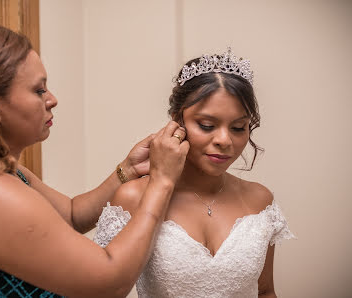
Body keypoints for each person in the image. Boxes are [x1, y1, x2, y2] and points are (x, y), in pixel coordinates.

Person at [0, 24, 190, 297]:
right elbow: (109, 283)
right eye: (38, 90)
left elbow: (69, 214)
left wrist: (126, 170)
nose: (52, 99)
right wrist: (162, 183)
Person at [93, 48, 296, 297]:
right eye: (207, 125)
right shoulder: (131, 198)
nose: (224, 140)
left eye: (239, 127)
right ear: (177, 121)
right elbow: (101, 292)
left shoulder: (260, 201)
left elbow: (265, 292)